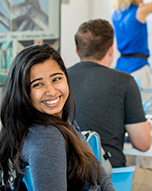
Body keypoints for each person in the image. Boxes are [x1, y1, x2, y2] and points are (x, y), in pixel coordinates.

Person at [67, 19, 152, 191]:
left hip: (70, 175)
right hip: (112, 177)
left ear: (77, 50)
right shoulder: (125, 82)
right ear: (111, 50)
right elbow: (143, 144)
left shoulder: (59, 81)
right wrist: (144, 129)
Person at [0, 44, 115, 191]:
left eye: (56, 79)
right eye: (38, 84)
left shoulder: (60, 119)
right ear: (23, 92)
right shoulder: (47, 137)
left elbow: (98, 173)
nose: (51, 91)